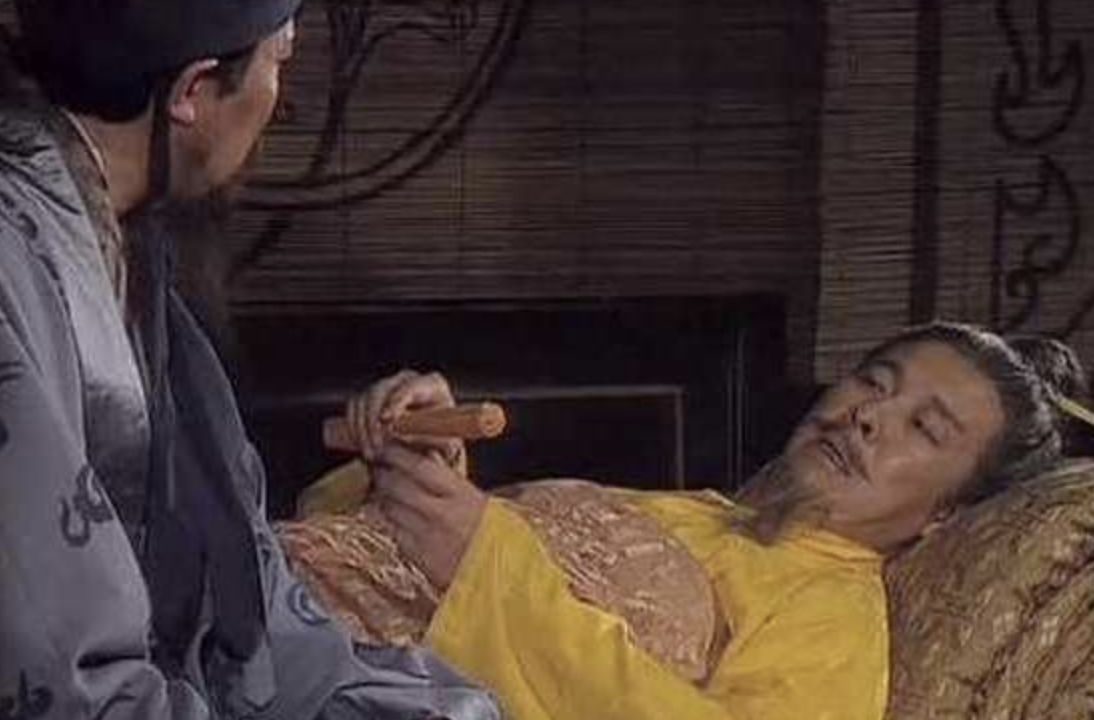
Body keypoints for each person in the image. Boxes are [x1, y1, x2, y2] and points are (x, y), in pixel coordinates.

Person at [0, 1, 498, 718]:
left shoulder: (124, 250)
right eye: (279, 60)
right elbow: (57, 679)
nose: (280, 104)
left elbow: (262, 628)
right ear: (192, 92)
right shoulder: (18, 262)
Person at [345, 322, 1090, 720]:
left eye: (924, 427)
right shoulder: (699, 513)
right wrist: (416, 464)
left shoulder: (833, 612)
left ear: (944, 515)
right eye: (874, 381)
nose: (868, 416)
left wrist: (485, 564)